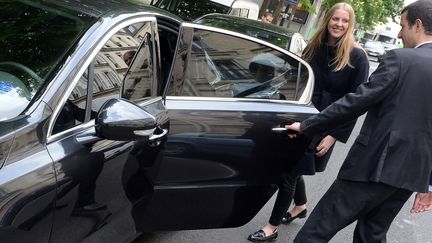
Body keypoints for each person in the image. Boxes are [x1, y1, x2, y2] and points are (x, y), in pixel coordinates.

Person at [286, 0, 432, 242]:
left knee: (315, 233)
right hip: (409, 177)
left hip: (372, 167)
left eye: (402, 25)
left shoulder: (400, 59)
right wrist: (428, 185)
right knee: (371, 236)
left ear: (417, 25)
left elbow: (356, 101)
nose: (398, 33)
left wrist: (307, 126)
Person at [247, 3, 369, 242]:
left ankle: (272, 226)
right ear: (328, 20)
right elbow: (298, 79)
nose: (339, 25)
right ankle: (300, 205)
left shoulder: (357, 56)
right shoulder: (314, 46)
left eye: (344, 21)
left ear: (350, 24)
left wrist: (333, 134)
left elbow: (357, 102)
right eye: (335, 19)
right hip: (302, 115)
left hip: (327, 123)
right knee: (293, 166)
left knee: (289, 171)